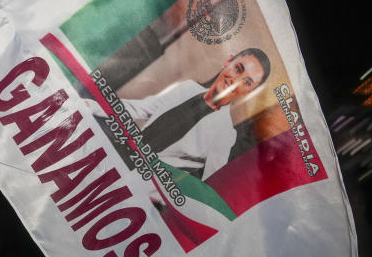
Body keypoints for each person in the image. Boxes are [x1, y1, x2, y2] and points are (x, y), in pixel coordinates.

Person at [93, 48, 271, 181]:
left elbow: (210, 185)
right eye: (238, 69)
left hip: (142, 184)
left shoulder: (225, 134)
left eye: (247, 82)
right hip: (120, 155)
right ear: (228, 61)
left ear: (249, 91)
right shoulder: (188, 87)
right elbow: (140, 108)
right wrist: (92, 106)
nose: (235, 81)